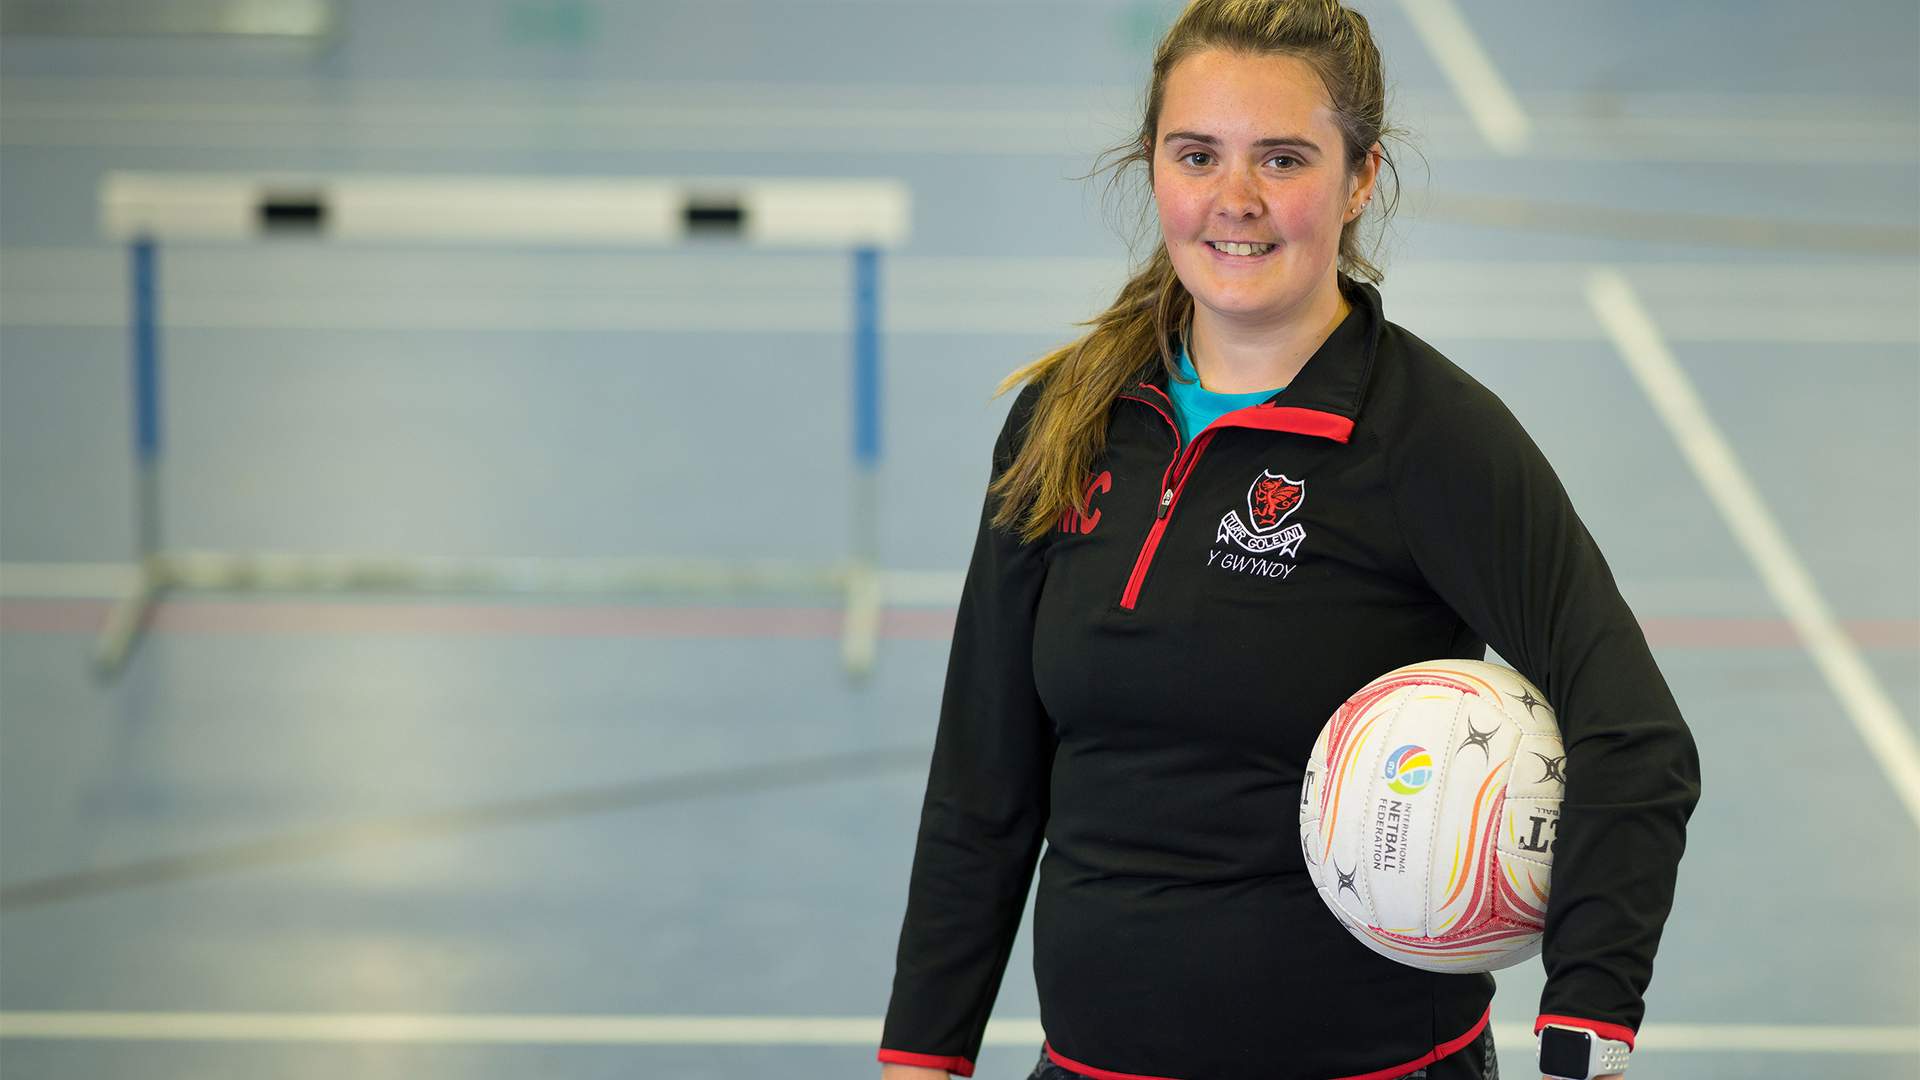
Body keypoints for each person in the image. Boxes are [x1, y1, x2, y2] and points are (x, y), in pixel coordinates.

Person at [876, 1, 1700, 1077]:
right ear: (1152, 169)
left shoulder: (1430, 440)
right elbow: (983, 778)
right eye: (1197, 155)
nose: (1236, 200)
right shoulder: (1064, 420)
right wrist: (923, 1052)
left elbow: (1632, 729)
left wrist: (1585, 1014)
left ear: (1360, 180)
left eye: (1283, 157)